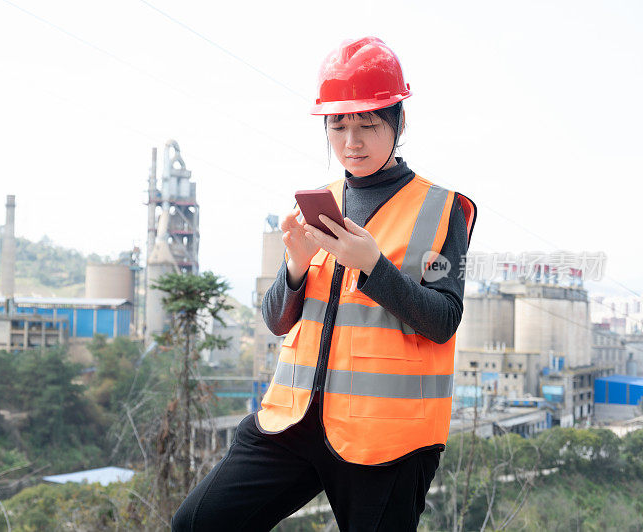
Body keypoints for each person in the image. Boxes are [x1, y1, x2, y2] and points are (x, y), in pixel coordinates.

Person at [172, 36, 477, 531]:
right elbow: (276, 320)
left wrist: (373, 266)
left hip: (386, 441)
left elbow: (443, 321)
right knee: (197, 523)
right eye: (338, 124)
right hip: (291, 424)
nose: (351, 141)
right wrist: (294, 265)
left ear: (399, 123)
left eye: (367, 124)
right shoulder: (318, 202)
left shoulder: (442, 210)